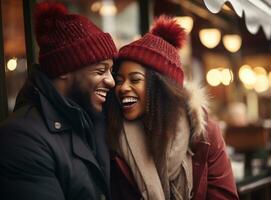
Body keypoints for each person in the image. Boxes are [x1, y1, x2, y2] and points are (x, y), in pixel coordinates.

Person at [106, 16, 239, 200]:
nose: (123, 87)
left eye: (135, 79)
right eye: (119, 80)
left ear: (161, 87)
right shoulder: (113, 134)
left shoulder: (205, 133)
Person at [0, 2, 117, 200]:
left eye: (111, 71)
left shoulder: (90, 120)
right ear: (63, 70)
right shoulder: (21, 138)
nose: (111, 81)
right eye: (100, 71)